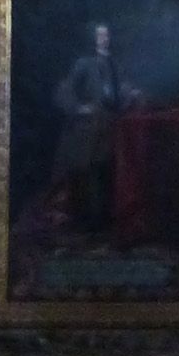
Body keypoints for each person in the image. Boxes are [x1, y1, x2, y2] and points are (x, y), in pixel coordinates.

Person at [51, 20, 135, 235]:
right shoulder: (83, 63)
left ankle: (104, 225)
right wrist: (79, 108)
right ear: (93, 38)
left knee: (107, 174)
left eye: (106, 35)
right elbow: (64, 91)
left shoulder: (114, 63)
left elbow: (119, 91)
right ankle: (88, 225)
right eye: (100, 35)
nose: (104, 39)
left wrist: (130, 95)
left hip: (109, 127)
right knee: (88, 177)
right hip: (88, 132)